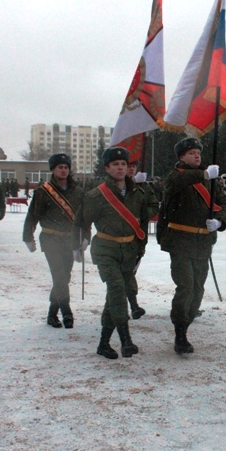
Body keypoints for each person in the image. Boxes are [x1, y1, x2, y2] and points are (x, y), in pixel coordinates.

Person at [72, 147, 149, 360]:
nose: (120, 167)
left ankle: (104, 343)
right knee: (116, 288)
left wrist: (140, 250)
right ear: (107, 168)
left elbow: (141, 223)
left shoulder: (137, 193)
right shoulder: (97, 195)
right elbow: (81, 222)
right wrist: (80, 242)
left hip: (129, 250)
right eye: (115, 164)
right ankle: (126, 340)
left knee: (114, 297)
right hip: (106, 249)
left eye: (123, 164)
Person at [157, 137, 226, 355]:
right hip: (180, 240)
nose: (197, 156)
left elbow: (223, 203)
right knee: (186, 286)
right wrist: (204, 174)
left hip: (203, 242)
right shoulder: (176, 176)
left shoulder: (211, 179)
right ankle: (180, 333)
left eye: (198, 152)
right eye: (191, 153)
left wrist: (220, 221)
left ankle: (186, 322)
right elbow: (175, 184)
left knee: (198, 289)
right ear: (181, 157)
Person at [23, 153, 83, 328]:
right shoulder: (43, 191)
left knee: (65, 276)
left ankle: (51, 313)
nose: (63, 170)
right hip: (50, 238)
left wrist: (82, 239)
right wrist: (28, 237)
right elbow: (32, 216)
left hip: (69, 240)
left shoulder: (77, 192)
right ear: (53, 170)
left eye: (66, 167)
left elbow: (81, 218)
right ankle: (66, 311)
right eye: (60, 167)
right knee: (59, 274)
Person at [125, 158, 159, 319]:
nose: (131, 169)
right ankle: (132, 304)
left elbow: (154, 206)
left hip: (138, 236)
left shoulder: (144, 188)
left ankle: (124, 303)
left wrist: (141, 214)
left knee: (130, 271)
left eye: (133, 166)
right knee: (125, 273)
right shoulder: (116, 187)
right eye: (128, 166)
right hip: (118, 236)